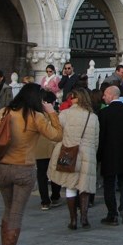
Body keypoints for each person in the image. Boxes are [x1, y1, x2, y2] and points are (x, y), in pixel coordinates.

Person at [0, 83, 62, 245]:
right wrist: (52, 113)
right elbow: (57, 135)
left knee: (7, 211)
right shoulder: (35, 116)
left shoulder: (4, 112)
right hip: (24, 168)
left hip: (3, 167)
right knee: (15, 214)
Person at [48, 87, 99, 230]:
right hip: (87, 154)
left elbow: (57, 134)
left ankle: (73, 219)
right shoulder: (93, 117)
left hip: (70, 153)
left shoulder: (64, 114)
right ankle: (84, 217)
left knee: (70, 186)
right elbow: (96, 140)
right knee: (84, 187)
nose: (70, 100)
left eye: (72, 97)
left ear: (76, 99)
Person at [97, 85, 123, 226]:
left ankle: (112, 214)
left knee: (109, 184)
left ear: (111, 95)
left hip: (109, 154)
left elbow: (101, 137)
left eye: (105, 95)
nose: (103, 97)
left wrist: (99, 156)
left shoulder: (104, 114)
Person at [34, 91, 62, 211]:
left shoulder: (36, 115)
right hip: (54, 148)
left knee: (42, 175)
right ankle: (55, 197)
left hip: (40, 149)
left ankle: (45, 201)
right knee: (55, 174)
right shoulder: (56, 115)